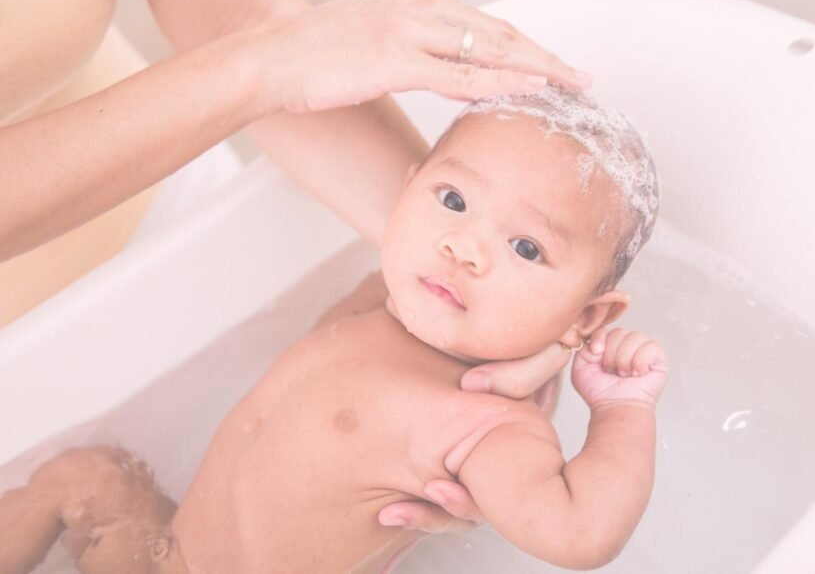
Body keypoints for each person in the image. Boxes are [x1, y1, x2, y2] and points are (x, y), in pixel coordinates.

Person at [0, 0, 591, 528]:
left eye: (529, 248)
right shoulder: (258, 71)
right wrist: (272, 62)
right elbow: (266, 56)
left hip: (170, 185)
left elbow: (235, 8)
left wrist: (489, 305)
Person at [0, 86, 667, 573]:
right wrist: (545, 342)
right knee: (81, 475)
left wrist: (621, 410)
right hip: (168, 551)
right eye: (453, 201)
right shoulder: (387, 298)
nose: (464, 246)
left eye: (526, 248)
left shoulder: (487, 424)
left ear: (586, 319)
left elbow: (579, 531)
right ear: (406, 192)